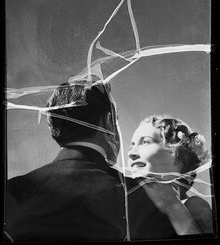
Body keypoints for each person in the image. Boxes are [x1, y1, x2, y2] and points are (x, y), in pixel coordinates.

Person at [4, 81, 177, 242]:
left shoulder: (12, 190)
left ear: (55, 127)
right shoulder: (135, 195)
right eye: (115, 120)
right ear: (108, 121)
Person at [128, 114, 213, 236]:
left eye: (146, 142)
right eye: (132, 145)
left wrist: (172, 205)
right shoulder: (135, 203)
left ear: (176, 156)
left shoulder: (193, 204)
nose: (131, 153)